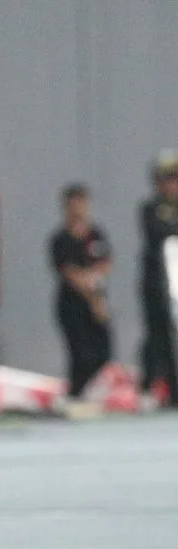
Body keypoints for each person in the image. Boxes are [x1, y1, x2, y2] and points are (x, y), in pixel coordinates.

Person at [49, 183, 112, 398]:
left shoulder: (96, 234)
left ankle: (91, 392)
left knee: (103, 351)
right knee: (80, 353)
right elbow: (69, 273)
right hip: (72, 304)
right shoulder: (60, 239)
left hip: (97, 301)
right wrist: (89, 291)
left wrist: (97, 297)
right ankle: (75, 394)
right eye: (73, 205)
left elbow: (105, 263)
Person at [139, 151, 178, 404]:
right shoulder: (151, 208)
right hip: (160, 285)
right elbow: (159, 233)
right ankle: (160, 387)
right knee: (159, 337)